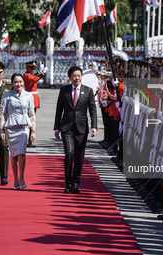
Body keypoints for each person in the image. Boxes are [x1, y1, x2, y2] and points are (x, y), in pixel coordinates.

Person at [54, 66, 97, 194]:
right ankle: (67, 183)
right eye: (74, 76)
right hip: (66, 127)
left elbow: (93, 110)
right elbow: (59, 110)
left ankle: (76, 183)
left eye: (78, 75)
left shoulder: (88, 91)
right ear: (70, 78)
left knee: (79, 156)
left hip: (81, 128)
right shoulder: (64, 90)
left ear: (81, 76)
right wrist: (56, 127)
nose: (76, 78)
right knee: (69, 153)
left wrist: (94, 126)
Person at [0, 73, 35, 190]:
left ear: (23, 82)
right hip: (11, 128)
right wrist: (2, 130)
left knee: (22, 153)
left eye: (20, 81)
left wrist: (33, 131)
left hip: (24, 127)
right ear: (12, 83)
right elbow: (2, 114)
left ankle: (21, 177)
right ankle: (15, 178)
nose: (18, 84)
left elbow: (32, 115)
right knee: (14, 154)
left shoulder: (29, 95)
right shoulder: (6, 96)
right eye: (16, 82)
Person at [23, 61, 47, 147]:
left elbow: (35, 76)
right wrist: (42, 73)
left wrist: (40, 71)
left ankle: (29, 140)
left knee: (31, 120)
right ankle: (27, 140)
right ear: (27, 68)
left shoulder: (30, 74)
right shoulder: (26, 75)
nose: (33, 69)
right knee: (29, 120)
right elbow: (35, 79)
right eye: (31, 68)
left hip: (33, 98)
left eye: (34, 68)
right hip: (29, 98)